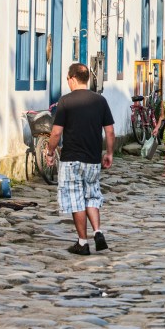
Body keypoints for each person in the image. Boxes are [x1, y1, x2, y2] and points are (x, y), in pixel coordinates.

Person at [47, 63, 114, 256]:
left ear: (72, 79)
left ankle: (83, 242)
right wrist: (108, 153)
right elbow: (109, 131)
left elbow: (56, 132)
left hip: (71, 159)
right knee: (92, 196)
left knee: (76, 201)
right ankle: (98, 231)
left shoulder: (66, 101)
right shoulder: (100, 101)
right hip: (93, 159)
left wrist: (50, 152)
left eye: (67, 80)